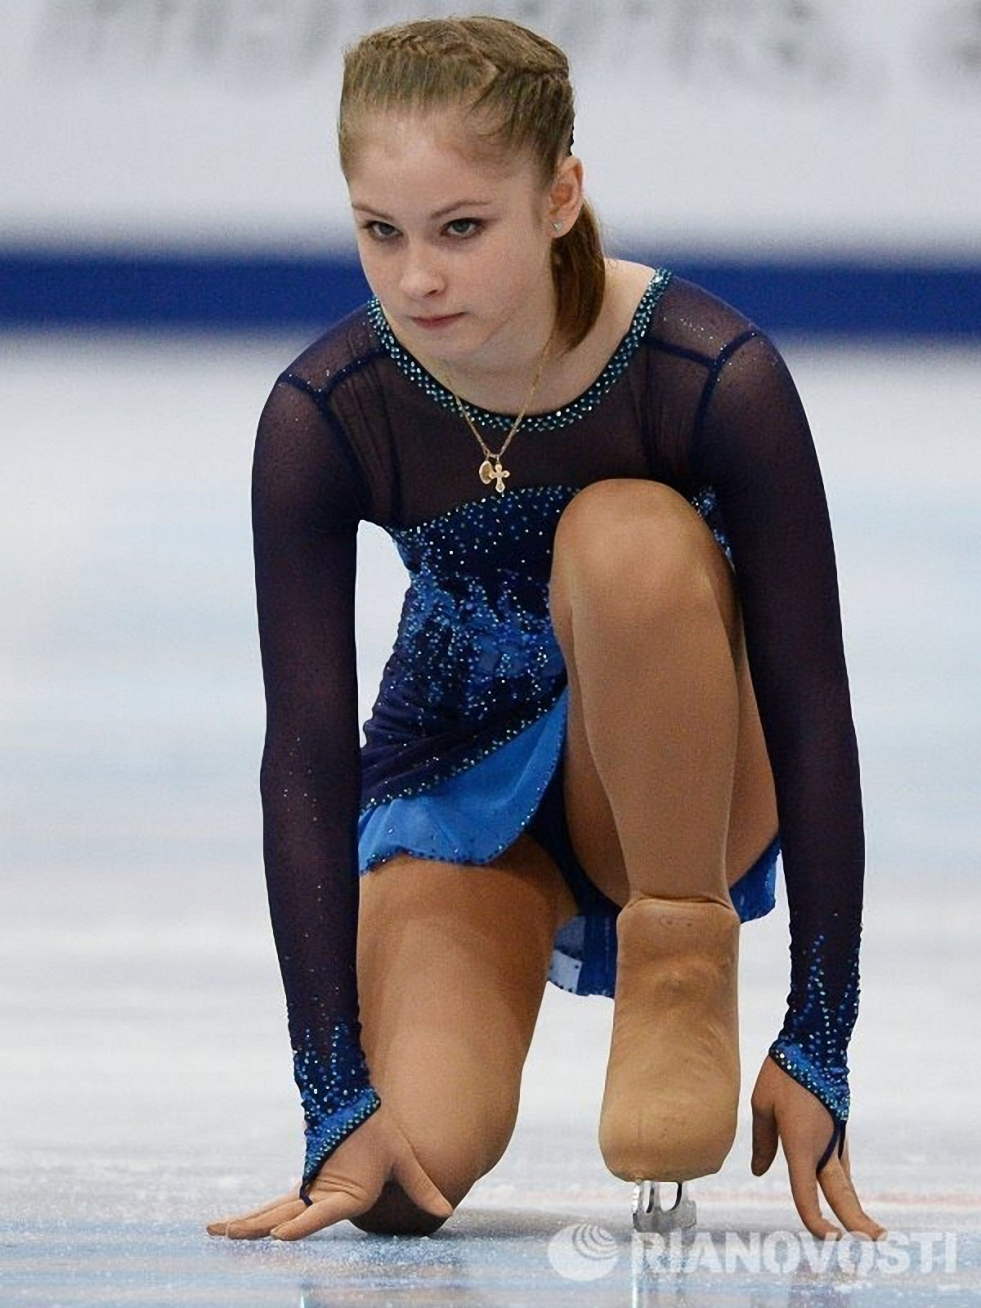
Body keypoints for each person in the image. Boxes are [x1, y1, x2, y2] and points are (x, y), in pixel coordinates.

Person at [207, 15, 885, 1244]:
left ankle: (680, 956)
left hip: (688, 773)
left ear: (560, 195)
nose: (417, 278)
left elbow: (811, 706)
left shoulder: (707, 376)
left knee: (624, 533)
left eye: (462, 228)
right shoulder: (326, 414)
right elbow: (304, 747)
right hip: (459, 778)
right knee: (403, 1175)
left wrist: (820, 1034)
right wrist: (329, 1091)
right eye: (382, 231)